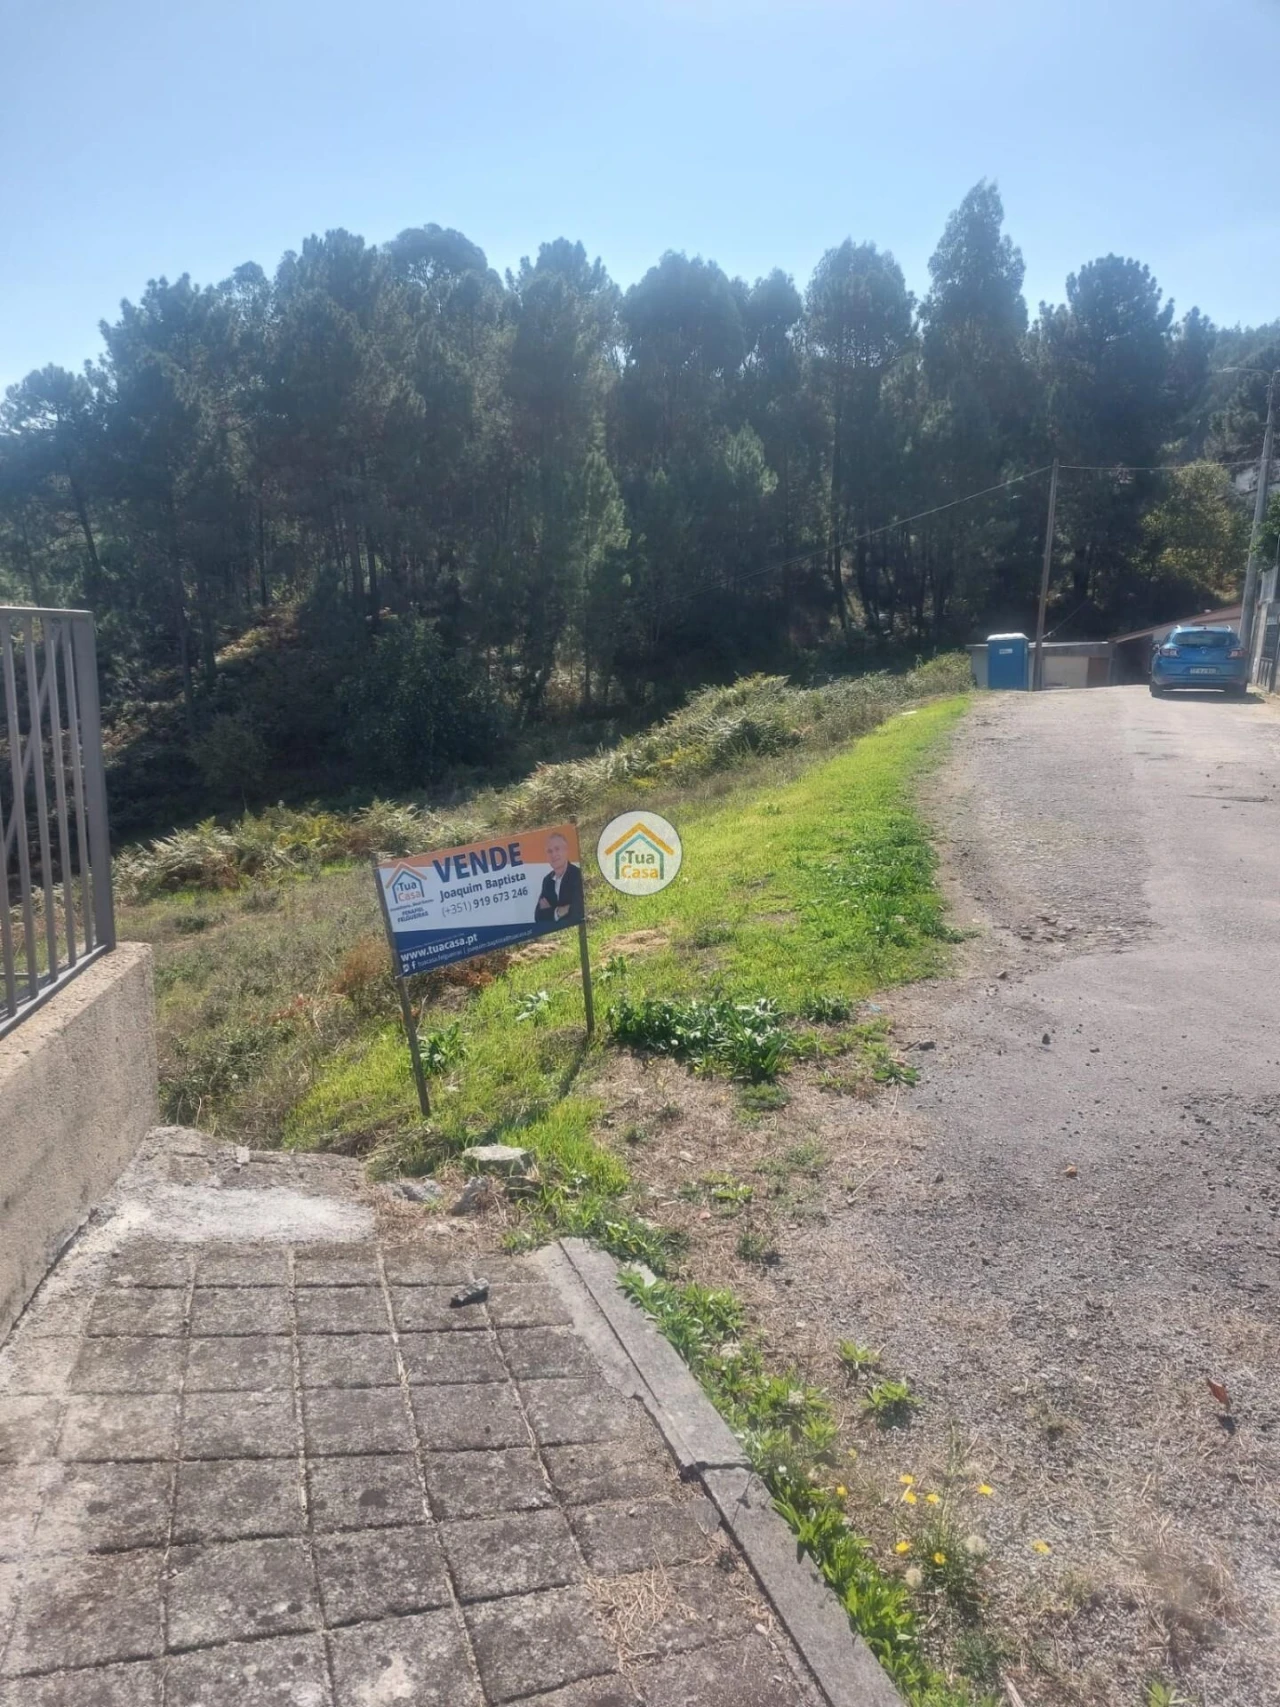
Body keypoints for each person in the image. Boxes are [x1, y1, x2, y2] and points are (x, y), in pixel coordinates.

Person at [534, 832, 584, 928]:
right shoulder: (547, 880)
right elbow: (538, 916)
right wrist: (560, 911)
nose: (554, 854)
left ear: (566, 850)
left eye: (557, 849)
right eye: (549, 851)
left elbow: (578, 911)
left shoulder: (577, 874)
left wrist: (550, 911)